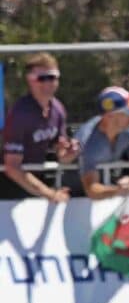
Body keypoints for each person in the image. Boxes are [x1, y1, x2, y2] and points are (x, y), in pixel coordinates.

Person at [1, 52, 80, 201]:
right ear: (30, 81)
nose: (48, 83)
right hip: (9, 189)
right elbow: (12, 167)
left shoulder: (58, 109)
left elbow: (61, 152)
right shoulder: (20, 114)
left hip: (35, 181)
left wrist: (69, 153)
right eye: (41, 78)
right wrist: (49, 193)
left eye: (52, 77)